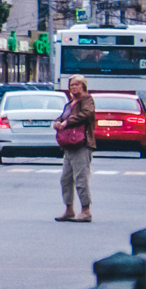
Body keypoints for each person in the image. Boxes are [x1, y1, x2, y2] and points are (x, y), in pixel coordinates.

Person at [54, 74, 96, 223]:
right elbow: (62, 117)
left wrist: (66, 123)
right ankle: (69, 209)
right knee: (65, 179)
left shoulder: (87, 100)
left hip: (82, 144)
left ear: (83, 86)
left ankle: (86, 210)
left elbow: (86, 114)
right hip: (69, 145)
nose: (73, 87)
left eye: (77, 84)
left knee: (81, 179)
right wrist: (58, 122)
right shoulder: (70, 103)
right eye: (71, 84)